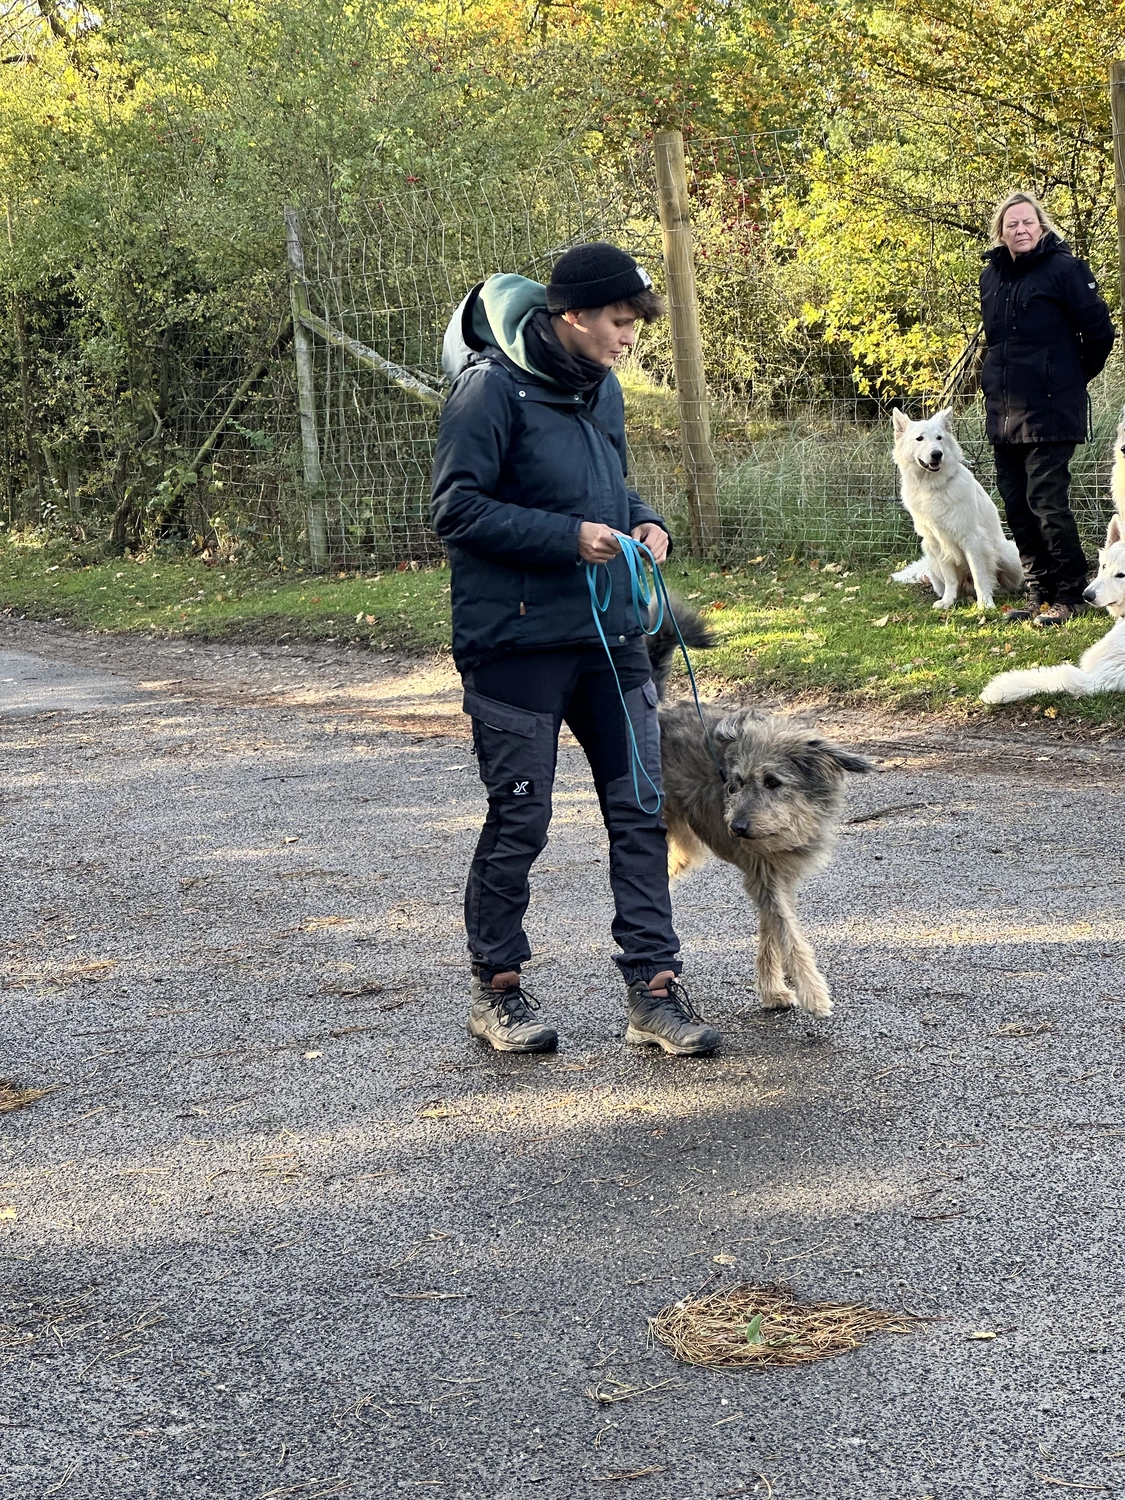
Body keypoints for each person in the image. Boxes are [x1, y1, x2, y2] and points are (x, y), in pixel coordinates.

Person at [430, 242, 720, 1057]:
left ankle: (653, 993)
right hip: (515, 641)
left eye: (634, 326)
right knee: (521, 817)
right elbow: (456, 509)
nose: (629, 338)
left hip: (611, 634)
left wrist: (643, 520)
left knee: (639, 809)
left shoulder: (603, 387)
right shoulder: (489, 389)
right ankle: (496, 991)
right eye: (619, 323)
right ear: (571, 315)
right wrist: (567, 538)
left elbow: (608, 488)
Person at [980, 190, 1115, 626]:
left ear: (1041, 225)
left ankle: (1071, 594)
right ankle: (1040, 593)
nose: (1020, 229)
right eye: (1012, 224)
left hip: (1052, 413)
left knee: (1046, 504)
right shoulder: (991, 278)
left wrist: (1068, 379)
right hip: (1003, 412)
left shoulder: (1066, 270)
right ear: (1001, 232)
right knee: (1017, 506)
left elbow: (1100, 333)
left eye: (1028, 221)